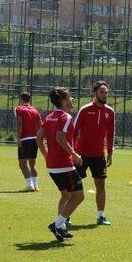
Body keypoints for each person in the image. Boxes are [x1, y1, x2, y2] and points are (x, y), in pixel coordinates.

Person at [36, 87, 84, 242]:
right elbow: (60, 138)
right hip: (65, 164)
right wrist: (74, 154)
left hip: (52, 165)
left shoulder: (49, 117)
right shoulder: (66, 117)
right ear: (63, 101)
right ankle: (57, 224)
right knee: (79, 196)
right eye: (70, 97)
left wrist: (46, 156)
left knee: (66, 195)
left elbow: (39, 138)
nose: (72, 100)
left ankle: (61, 228)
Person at [73, 81, 115, 226]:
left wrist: (110, 153)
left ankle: (101, 216)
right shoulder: (85, 110)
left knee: (101, 186)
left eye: (106, 92)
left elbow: (111, 134)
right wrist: (72, 152)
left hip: (99, 155)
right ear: (95, 93)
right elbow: (73, 131)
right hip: (81, 155)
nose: (105, 95)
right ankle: (66, 217)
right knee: (73, 186)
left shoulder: (110, 112)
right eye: (102, 92)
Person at [14, 91, 42, 192]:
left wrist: (18, 138)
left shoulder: (19, 109)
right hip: (35, 139)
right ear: (30, 100)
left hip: (25, 139)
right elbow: (40, 125)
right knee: (32, 163)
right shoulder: (35, 110)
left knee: (22, 163)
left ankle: (30, 185)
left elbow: (19, 124)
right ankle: (36, 186)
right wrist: (40, 139)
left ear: (21, 99)